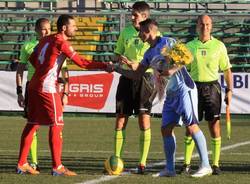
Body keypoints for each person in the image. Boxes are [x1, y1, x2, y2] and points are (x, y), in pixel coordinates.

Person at [107, 18, 212, 178]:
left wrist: (173, 70)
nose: (139, 34)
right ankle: (170, 169)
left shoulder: (168, 42)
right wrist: (116, 69)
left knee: (191, 126)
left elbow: (188, 57)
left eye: (141, 32)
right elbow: (137, 75)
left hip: (184, 90)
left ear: (148, 31)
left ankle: (206, 165)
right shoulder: (149, 53)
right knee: (165, 129)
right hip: (170, 95)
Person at [16, 14, 107, 176]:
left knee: (32, 123)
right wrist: (105, 65)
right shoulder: (61, 42)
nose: (76, 28)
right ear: (64, 28)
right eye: (74, 26)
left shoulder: (46, 39)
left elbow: (33, 59)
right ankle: (57, 167)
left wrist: (43, 70)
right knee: (57, 124)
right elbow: (83, 63)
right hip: (47, 87)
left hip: (34, 85)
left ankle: (22, 163)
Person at [16, 18, 69, 171]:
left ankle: (40, 163)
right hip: (33, 87)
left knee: (55, 124)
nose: (45, 32)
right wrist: (19, 91)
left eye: (48, 29)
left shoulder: (55, 43)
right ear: (36, 30)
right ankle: (33, 162)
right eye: (42, 29)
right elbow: (20, 69)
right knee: (34, 125)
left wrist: (65, 91)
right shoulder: (28, 46)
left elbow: (64, 71)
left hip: (51, 87)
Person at [182, 15, 233, 175]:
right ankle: (186, 163)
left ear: (212, 26)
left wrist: (230, 90)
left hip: (212, 88)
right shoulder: (189, 46)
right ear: (197, 26)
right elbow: (181, 69)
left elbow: (226, 69)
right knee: (190, 126)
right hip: (193, 87)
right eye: (202, 24)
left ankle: (216, 164)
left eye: (208, 24)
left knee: (214, 125)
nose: (205, 27)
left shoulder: (219, 46)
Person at [112, 1, 155, 174]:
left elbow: (159, 57)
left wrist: (140, 64)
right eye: (131, 14)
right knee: (121, 118)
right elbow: (117, 52)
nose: (132, 17)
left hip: (145, 79)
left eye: (135, 15)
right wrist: (120, 58)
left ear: (145, 16)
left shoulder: (154, 34)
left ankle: (142, 163)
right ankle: (116, 160)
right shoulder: (126, 32)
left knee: (143, 119)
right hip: (126, 78)